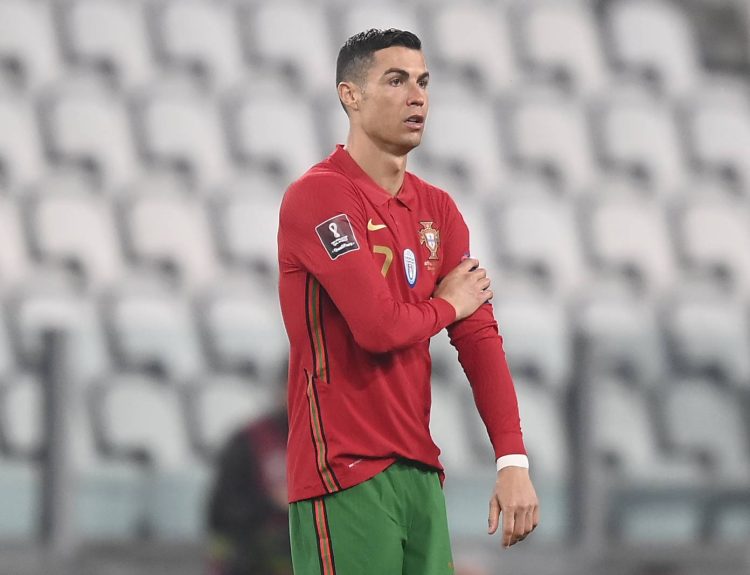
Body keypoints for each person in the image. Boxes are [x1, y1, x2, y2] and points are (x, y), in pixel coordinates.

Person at [277, 29, 539, 575]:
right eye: (396, 81)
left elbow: (480, 338)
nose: (417, 96)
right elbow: (377, 327)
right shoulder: (320, 195)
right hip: (344, 472)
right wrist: (448, 305)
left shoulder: (438, 210)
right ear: (350, 95)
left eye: (423, 82)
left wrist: (512, 458)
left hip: (420, 470)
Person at [206, 366, 292, 575]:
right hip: (256, 557)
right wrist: (272, 502)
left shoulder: (330, 443)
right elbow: (220, 511)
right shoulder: (249, 441)